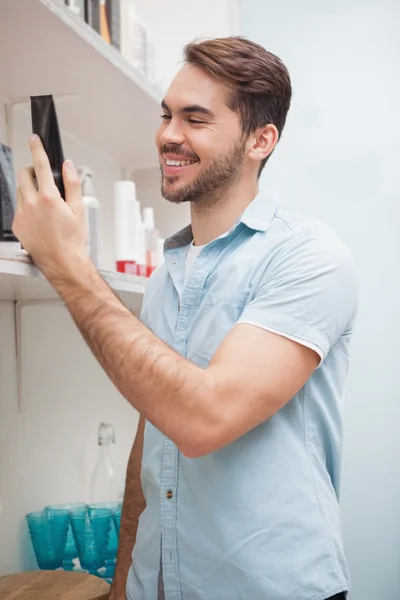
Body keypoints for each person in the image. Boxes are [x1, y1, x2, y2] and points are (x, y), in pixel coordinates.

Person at [13, 36, 357, 600]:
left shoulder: (309, 257)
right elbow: (157, 430)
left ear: (261, 140)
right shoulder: (166, 275)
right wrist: (126, 577)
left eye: (196, 119)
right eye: (167, 115)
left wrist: (67, 264)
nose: (168, 135)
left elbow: (201, 420)